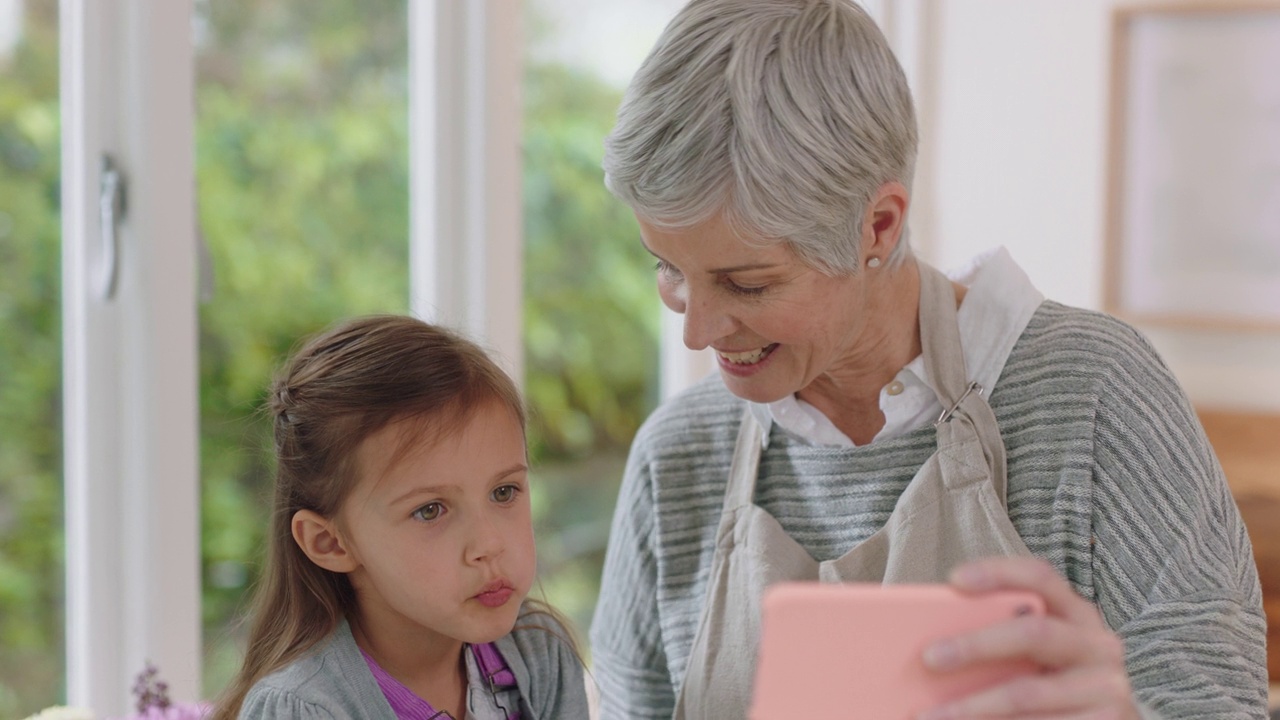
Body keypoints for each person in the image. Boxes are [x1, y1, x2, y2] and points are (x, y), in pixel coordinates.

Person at [589, 1, 1268, 718]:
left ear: (877, 225)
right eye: (667, 268)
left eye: (746, 283)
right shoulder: (678, 456)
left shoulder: (1096, 398)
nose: (696, 331)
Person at [211, 315, 589, 720]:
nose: (488, 544)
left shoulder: (539, 654)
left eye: (504, 492)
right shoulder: (302, 709)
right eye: (430, 510)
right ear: (330, 542)